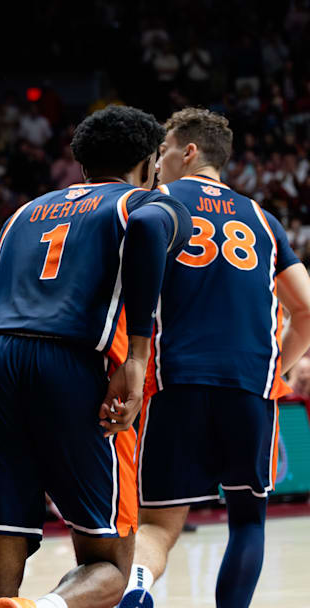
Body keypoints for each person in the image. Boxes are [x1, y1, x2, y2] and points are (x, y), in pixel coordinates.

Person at [0, 105, 191, 608]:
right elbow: (150, 227)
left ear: (82, 163)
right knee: (111, 566)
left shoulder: (24, 213)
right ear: (150, 162)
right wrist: (136, 358)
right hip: (71, 361)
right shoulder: (146, 201)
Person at [119, 108, 310, 608]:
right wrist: (276, 369)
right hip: (249, 384)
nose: (156, 162)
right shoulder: (262, 219)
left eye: (162, 151)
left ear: (188, 151)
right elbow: (307, 309)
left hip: (176, 380)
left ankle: (136, 587)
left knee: (158, 523)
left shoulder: (154, 205)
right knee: (247, 522)